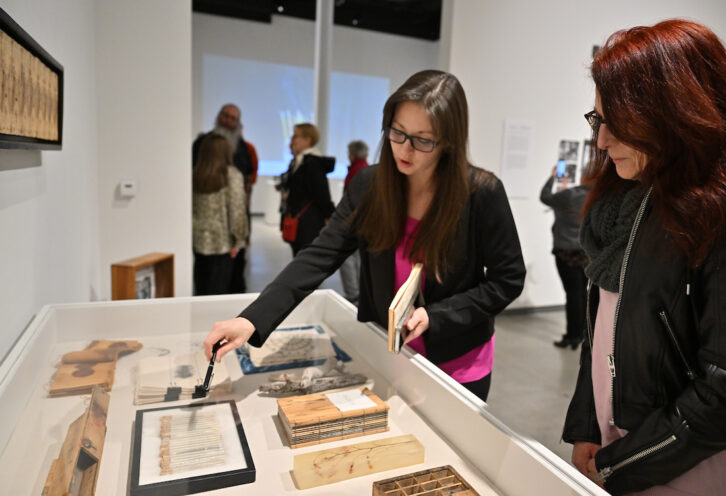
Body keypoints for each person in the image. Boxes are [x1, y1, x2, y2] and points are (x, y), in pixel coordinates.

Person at [561, 19, 726, 496]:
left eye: (618, 124)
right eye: (598, 119)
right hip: (618, 447)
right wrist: (588, 425)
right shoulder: (631, 198)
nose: (601, 141)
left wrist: (620, 465)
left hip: (694, 467)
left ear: (677, 113)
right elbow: (603, 326)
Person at [202, 70, 526, 401]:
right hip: (388, 351)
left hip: (457, 361)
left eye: (423, 140)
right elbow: (321, 254)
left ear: (450, 141)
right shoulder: (371, 186)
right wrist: (252, 320)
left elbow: (508, 279)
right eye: (397, 133)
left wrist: (438, 316)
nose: (405, 149)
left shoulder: (481, 193)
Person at [193, 103, 257, 293]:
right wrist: (239, 240)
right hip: (223, 242)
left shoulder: (196, 173)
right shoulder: (231, 174)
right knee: (220, 287)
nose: (228, 121)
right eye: (225, 116)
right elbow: (237, 210)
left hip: (200, 240)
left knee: (204, 285)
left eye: (233, 118)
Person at [539, 165, 589, 349]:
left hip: (565, 251)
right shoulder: (596, 197)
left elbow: (545, 197)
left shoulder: (569, 195)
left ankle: (572, 336)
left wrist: (553, 177)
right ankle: (583, 334)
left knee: (572, 295)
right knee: (583, 293)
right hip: (585, 252)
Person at [281, 123, 336, 256]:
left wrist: (328, 215)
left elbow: (321, 192)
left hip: (309, 222)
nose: (292, 140)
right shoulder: (299, 161)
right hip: (301, 220)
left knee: (306, 258)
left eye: (296, 136)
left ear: (308, 139)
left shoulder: (312, 163)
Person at [338, 140, 370, 303]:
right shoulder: (365, 169)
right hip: (364, 222)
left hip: (355, 221)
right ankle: (358, 293)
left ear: (352, 154)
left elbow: (353, 199)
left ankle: (353, 294)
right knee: (357, 257)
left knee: (348, 257)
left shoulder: (358, 172)